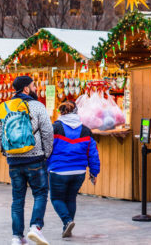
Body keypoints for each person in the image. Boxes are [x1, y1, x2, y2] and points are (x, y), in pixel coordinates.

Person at [0, 76, 53, 245]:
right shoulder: (37, 106)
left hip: (14, 162)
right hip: (35, 158)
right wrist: (46, 153)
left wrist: (8, 152)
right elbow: (48, 132)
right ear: (26, 89)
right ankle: (35, 227)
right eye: (33, 86)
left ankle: (17, 237)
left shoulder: (4, 107)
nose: (35, 89)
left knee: (17, 199)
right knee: (41, 193)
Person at [47, 101, 100, 238]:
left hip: (59, 170)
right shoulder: (86, 130)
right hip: (79, 172)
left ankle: (67, 221)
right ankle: (67, 227)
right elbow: (93, 153)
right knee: (71, 198)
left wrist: (45, 165)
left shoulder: (55, 128)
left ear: (61, 112)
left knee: (56, 198)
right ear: (76, 112)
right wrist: (94, 172)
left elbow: (47, 149)